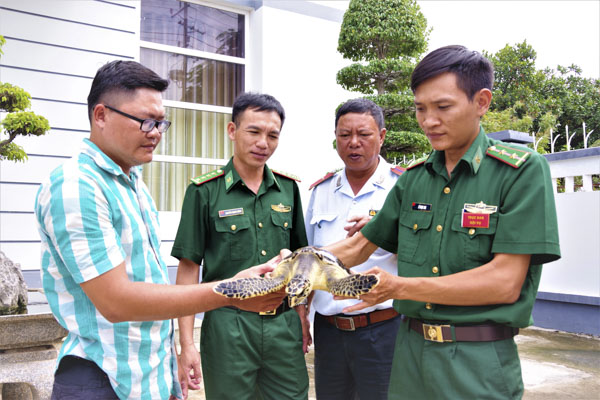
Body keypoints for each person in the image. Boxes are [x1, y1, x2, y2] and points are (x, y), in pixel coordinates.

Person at [34, 61, 287, 400]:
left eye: (161, 123)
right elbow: (117, 301)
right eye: (145, 121)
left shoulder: (131, 183)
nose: (155, 132)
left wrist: (175, 363)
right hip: (103, 378)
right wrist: (233, 290)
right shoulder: (77, 186)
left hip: (148, 376)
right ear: (101, 115)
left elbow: (150, 287)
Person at [324, 45, 561, 399]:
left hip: (477, 362)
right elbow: (359, 246)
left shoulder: (520, 171)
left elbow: (505, 282)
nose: (428, 121)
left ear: (481, 102)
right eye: (420, 108)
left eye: (443, 107)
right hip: (410, 357)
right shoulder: (414, 179)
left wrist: (400, 288)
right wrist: (295, 264)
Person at [172, 92, 309, 400]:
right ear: (232, 131)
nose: (264, 143)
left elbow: (300, 260)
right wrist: (187, 343)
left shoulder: (288, 190)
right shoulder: (204, 191)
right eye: (254, 131)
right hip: (228, 327)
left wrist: (301, 316)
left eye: (273, 135)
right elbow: (188, 269)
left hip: (283, 324)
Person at [305, 98, 403, 400]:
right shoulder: (320, 192)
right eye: (345, 135)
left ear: (382, 136)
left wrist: (382, 230)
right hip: (329, 330)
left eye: (364, 134)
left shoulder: (404, 187)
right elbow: (310, 258)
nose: (354, 143)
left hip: (383, 330)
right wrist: (301, 313)